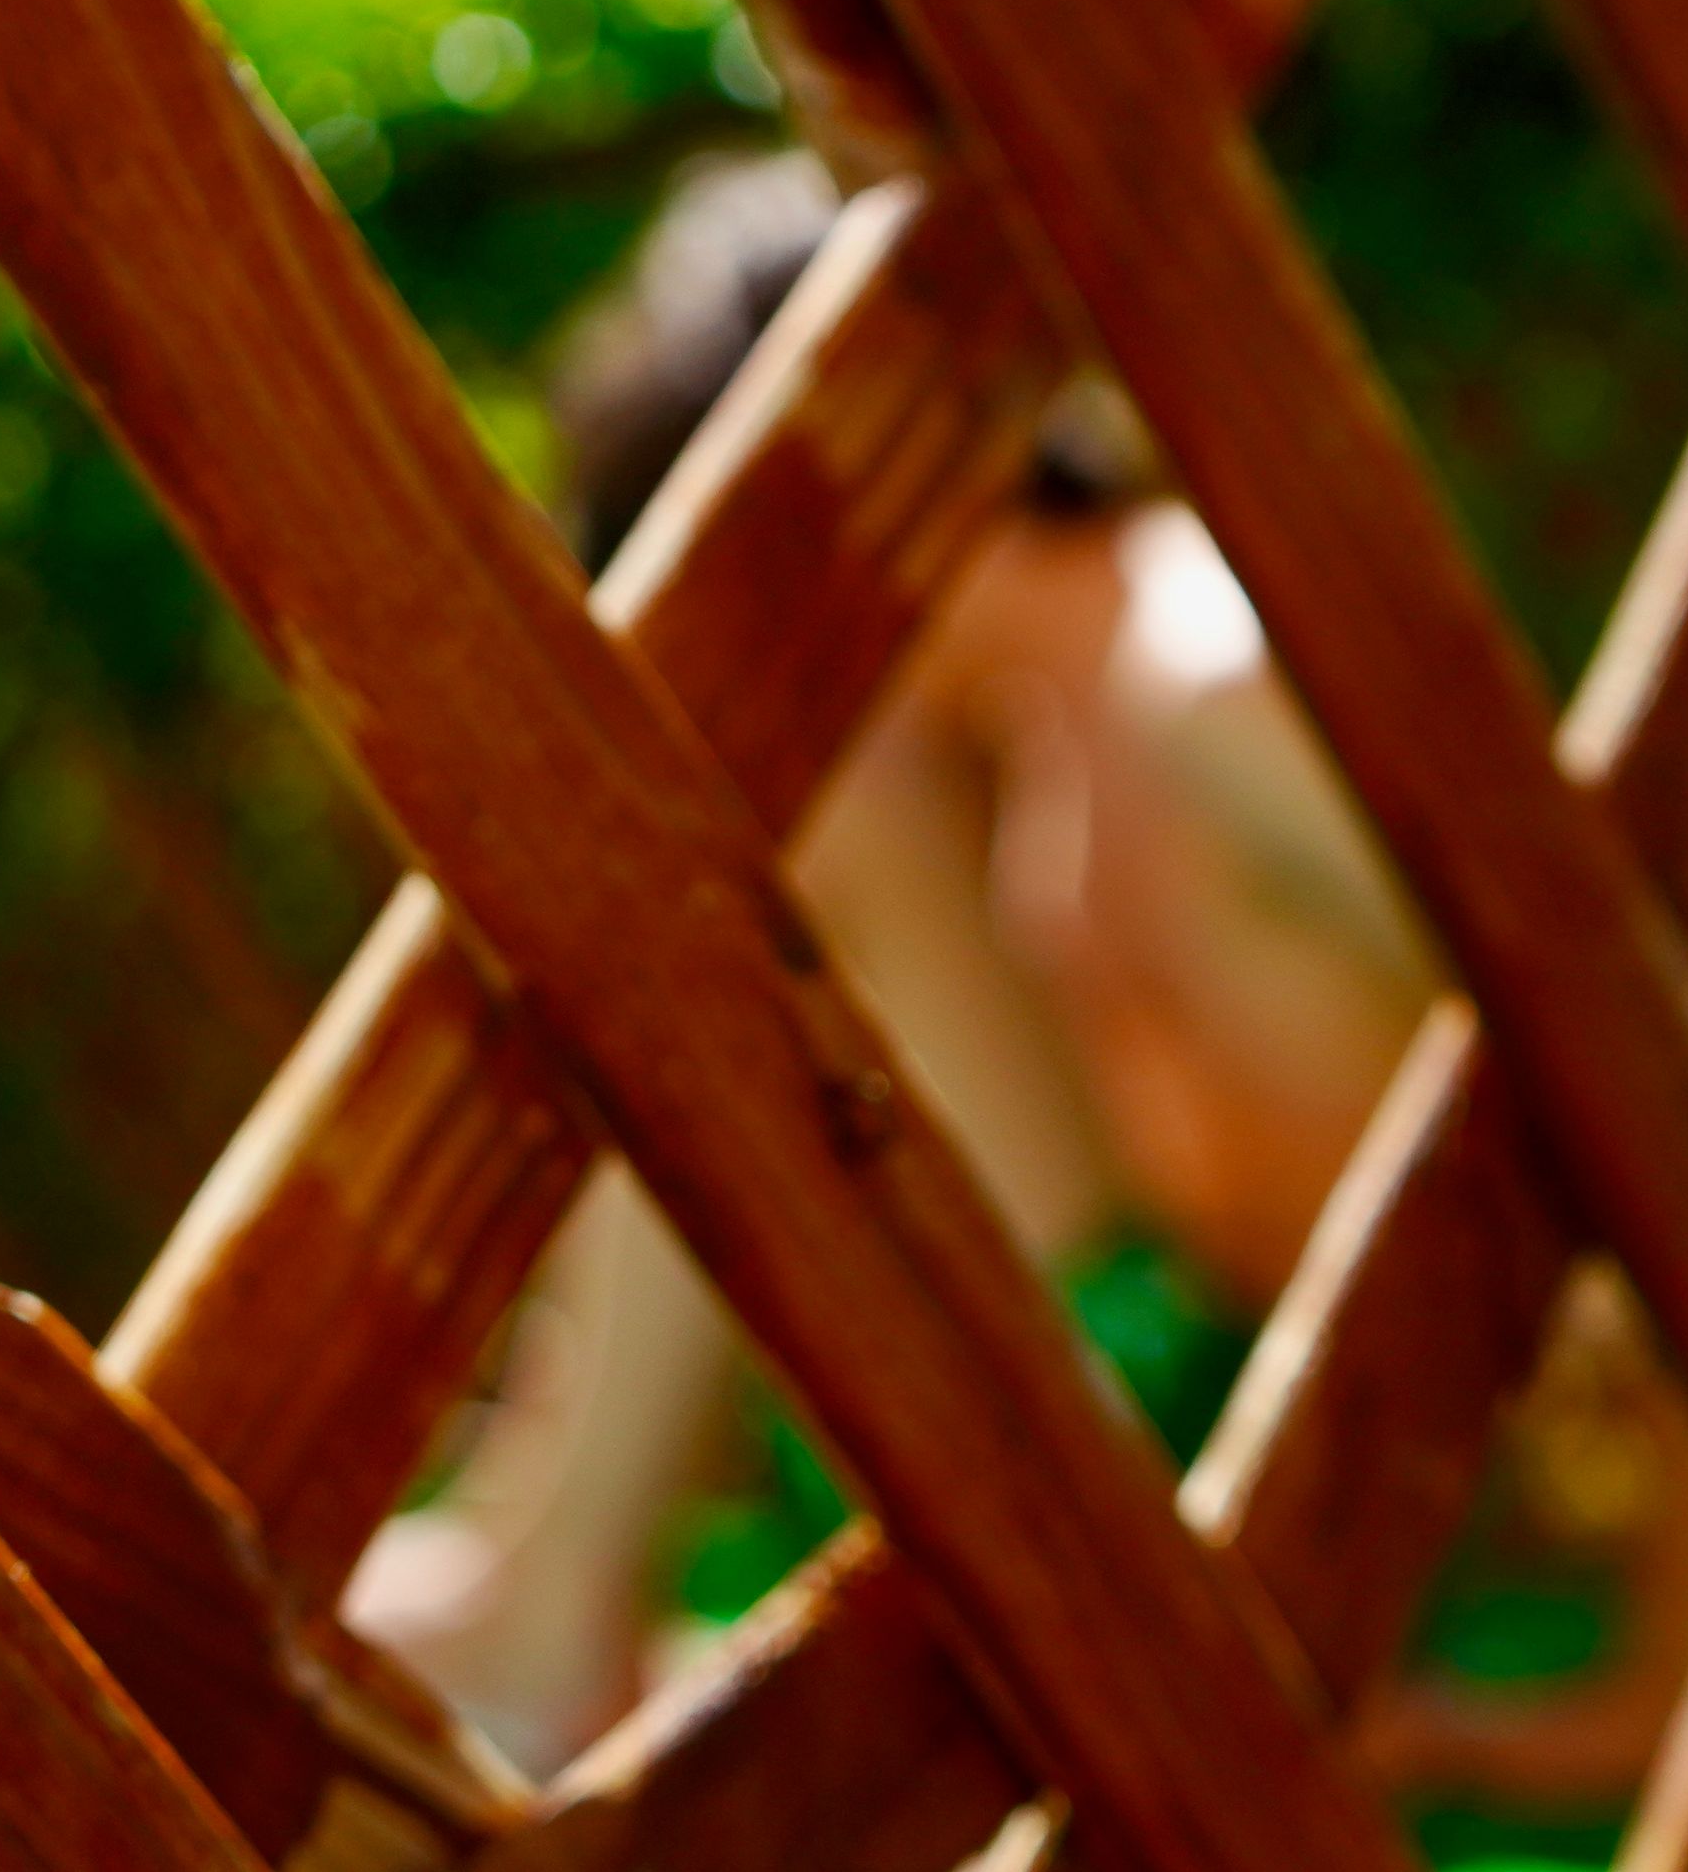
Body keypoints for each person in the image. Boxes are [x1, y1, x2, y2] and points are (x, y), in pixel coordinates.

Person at [350, 153, 1459, 1765]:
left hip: (1287, 1498)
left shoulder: (1212, 689)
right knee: (794, 826)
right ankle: (540, 1572)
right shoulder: (1034, 722)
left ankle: (545, 1601)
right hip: (1137, 1428)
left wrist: (1627, 1698)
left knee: (778, 831)